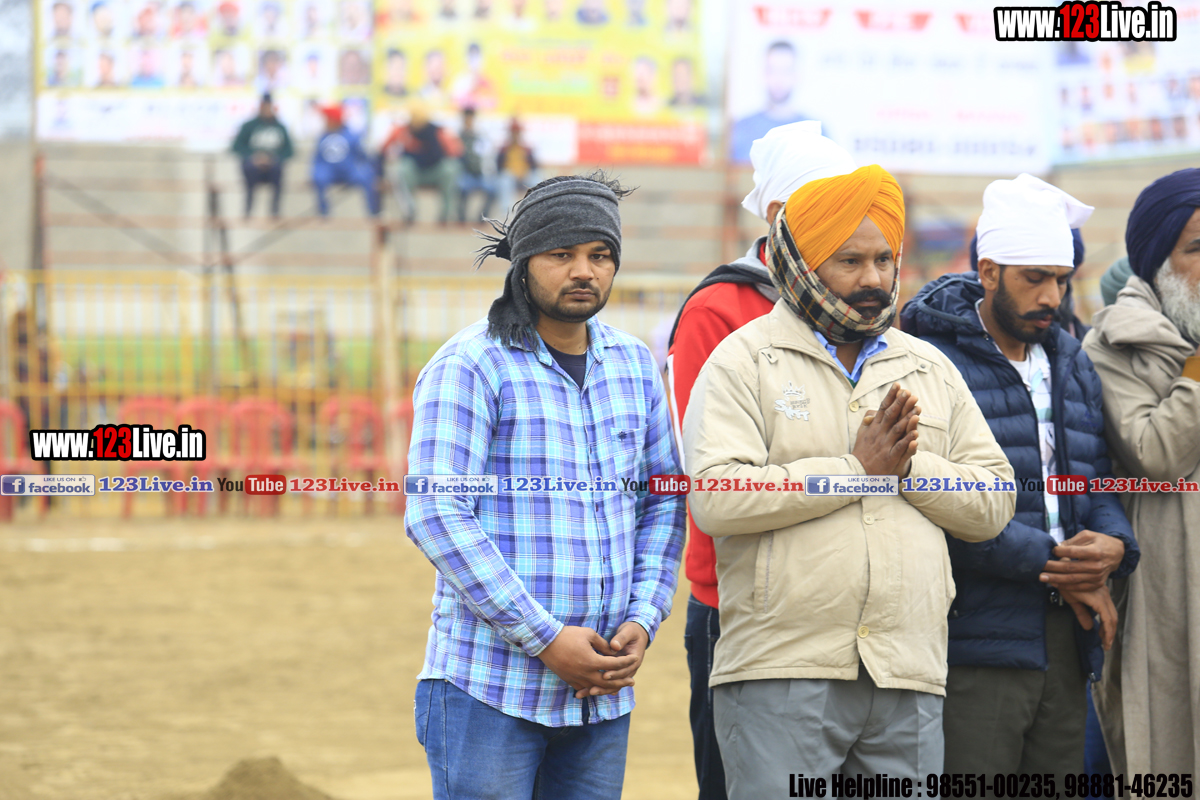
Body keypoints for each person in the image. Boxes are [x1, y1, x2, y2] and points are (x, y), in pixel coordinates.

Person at [682, 165, 1016, 794]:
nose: (873, 280)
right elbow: (717, 497)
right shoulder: (745, 360)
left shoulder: (928, 366)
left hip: (907, 672)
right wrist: (853, 473)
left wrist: (907, 469)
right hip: (782, 669)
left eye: (884, 260)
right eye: (850, 261)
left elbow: (995, 499)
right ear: (803, 264)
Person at [406, 172, 686, 800]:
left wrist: (643, 617)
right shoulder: (471, 365)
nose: (583, 271)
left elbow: (663, 498)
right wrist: (547, 639)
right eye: (562, 254)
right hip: (489, 689)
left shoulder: (633, 365)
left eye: (600, 255)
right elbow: (436, 513)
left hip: (602, 693)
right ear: (524, 262)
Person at [900, 173, 1139, 785]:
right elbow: (931, 500)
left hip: (1066, 634)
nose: (1051, 296)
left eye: (1060, 279)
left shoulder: (1070, 358)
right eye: (1034, 278)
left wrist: (1114, 546)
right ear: (988, 272)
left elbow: (1095, 479)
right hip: (975, 635)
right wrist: (1058, 564)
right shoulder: (930, 359)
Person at [665, 119, 856, 800]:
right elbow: (712, 471)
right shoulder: (718, 310)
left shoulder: (859, 304)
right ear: (777, 214)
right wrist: (851, 466)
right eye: (828, 208)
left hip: (845, 598)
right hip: (743, 602)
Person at [1083, 168, 1200, 774]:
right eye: (1197, 248)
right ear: (1157, 261)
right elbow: (1156, 455)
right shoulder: (1112, 344)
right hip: (1167, 583)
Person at [969, 227, 1090, 338]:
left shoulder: (1079, 349)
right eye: (1034, 278)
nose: (1055, 301)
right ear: (989, 274)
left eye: (1062, 281)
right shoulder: (956, 352)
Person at [730, 41, 812, 163]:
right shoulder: (739, 130)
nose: (778, 79)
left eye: (786, 71)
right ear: (763, 74)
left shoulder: (816, 132)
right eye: (772, 70)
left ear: (797, 75)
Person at [383, 104, 462, 225]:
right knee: (400, 168)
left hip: (435, 170)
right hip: (415, 172)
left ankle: (446, 213)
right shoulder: (404, 131)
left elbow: (454, 152)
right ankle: (409, 211)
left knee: (451, 168)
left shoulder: (437, 132)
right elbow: (383, 149)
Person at [311, 104, 380, 218]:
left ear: (335, 120)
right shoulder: (323, 137)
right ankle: (323, 213)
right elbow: (318, 159)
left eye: (328, 119)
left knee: (367, 177)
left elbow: (363, 156)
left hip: (350, 171)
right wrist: (314, 172)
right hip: (329, 171)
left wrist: (369, 170)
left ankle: (373, 213)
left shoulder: (352, 136)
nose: (325, 122)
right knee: (319, 177)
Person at [231, 93, 294, 219]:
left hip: (273, 165)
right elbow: (236, 146)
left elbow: (289, 150)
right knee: (249, 171)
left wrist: (273, 158)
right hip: (253, 165)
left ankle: (275, 211)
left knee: (278, 171)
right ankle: (248, 210)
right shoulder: (249, 126)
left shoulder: (280, 126)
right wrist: (254, 157)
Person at [456, 107, 496, 223]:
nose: (469, 122)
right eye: (467, 119)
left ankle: (482, 217)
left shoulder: (480, 137)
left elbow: (487, 156)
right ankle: (461, 217)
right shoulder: (458, 137)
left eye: (471, 119)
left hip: (480, 174)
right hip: (464, 173)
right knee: (462, 188)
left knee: (492, 189)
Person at [496, 119, 539, 219]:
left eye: (517, 133)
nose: (515, 135)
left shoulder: (526, 149)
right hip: (510, 177)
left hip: (524, 176)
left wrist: (524, 173)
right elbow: (499, 167)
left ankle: (536, 209)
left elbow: (534, 166)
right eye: (513, 133)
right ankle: (506, 212)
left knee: (536, 179)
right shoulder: (504, 149)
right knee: (504, 180)